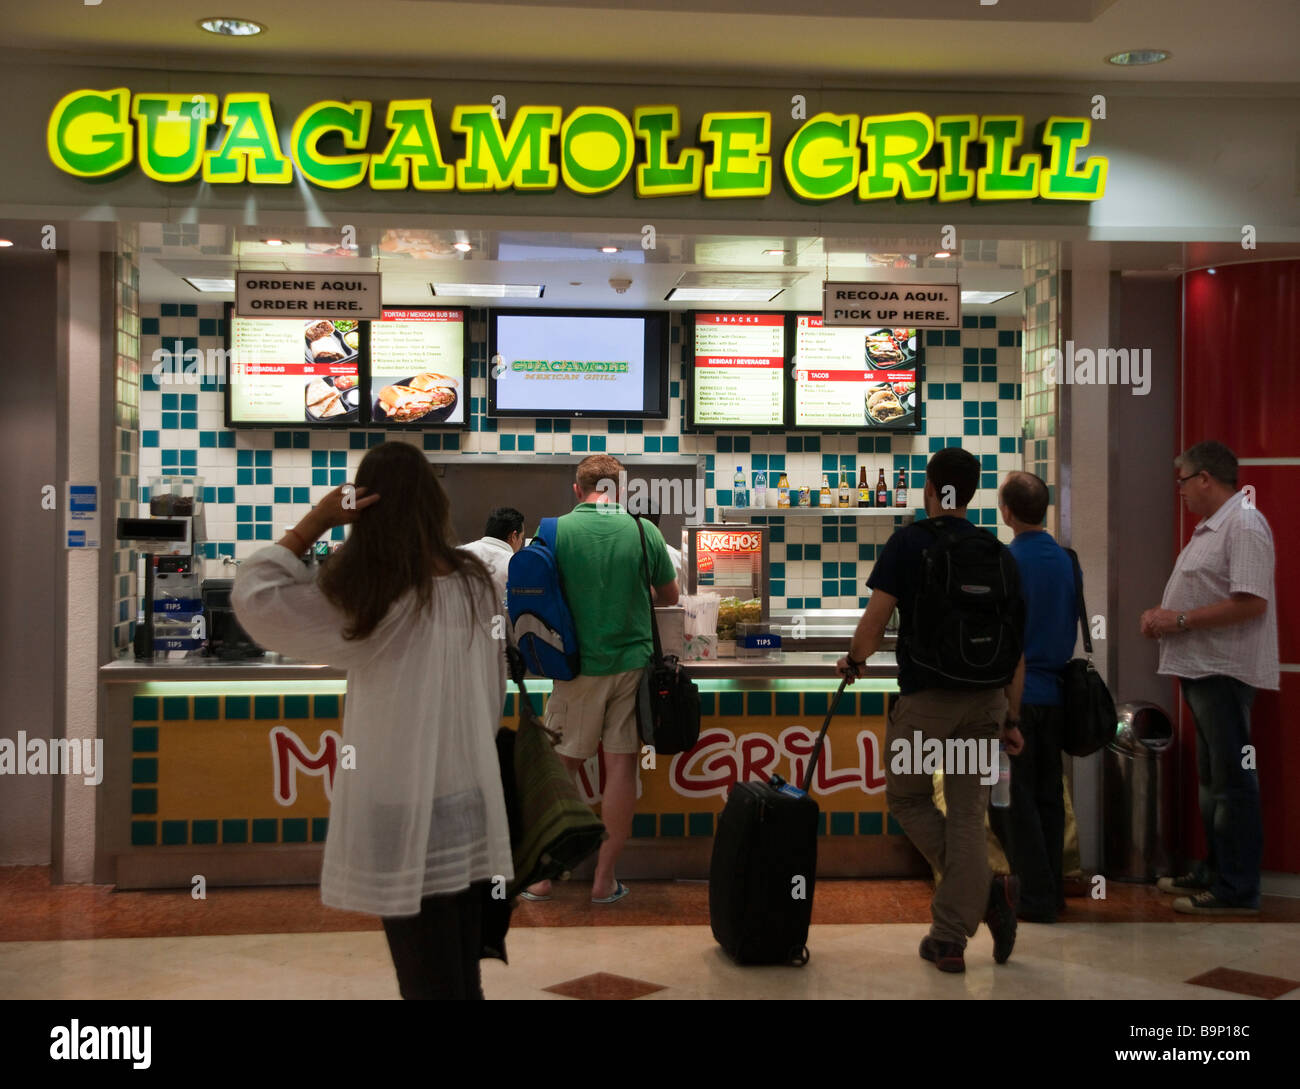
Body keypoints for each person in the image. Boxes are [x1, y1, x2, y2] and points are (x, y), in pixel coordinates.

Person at [232, 441, 512, 999]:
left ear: (364, 504)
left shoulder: (371, 591)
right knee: (459, 972)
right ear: (436, 504)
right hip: (467, 801)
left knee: (426, 977)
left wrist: (316, 519)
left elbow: (255, 595)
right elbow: (493, 688)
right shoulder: (475, 581)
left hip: (397, 808)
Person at [837, 447, 1025, 974]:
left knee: (908, 798)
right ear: (971, 492)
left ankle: (979, 901)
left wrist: (853, 660)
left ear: (929, 488)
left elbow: (873, 625)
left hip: (927, 705)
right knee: (968, 815)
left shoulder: (910, 543)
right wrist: (1011, 718)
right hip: (985, 704)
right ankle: (951, 936)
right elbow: (1016, 650)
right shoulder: (997, 551)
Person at [521, 454, 679, 904]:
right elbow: (670, 596)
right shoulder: (643, 532)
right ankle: (604, 880)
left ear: (578, 490)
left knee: (560, 770)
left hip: (572, 669)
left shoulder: (551, 531)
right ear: (619, 489)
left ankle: (544, 876)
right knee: (621, 769)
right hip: (631, 666)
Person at [1141, 440, 1278, 915]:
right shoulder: (1212, 528)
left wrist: (1177, 621)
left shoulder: (1243, 524)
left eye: (1183, 481)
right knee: (1212, 780)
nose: (1178, 491)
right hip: (1202, 669)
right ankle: (1214, 869)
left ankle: (1236, 887)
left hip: (1226, 671)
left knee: (1233, 783)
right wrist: (1164, 615)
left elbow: (1251, 602)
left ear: (1205, 479)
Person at [991, 471, 1078, 923]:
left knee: (1009, 800)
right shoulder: (1066, 560)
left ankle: (1035, 898)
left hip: (1017, 698)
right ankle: (1054, 893)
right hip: (1057, 697)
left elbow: (1006, 640)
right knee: (1047, 795)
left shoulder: (1006, 561)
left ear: (1006, 511)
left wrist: (1008, 711)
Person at [460, 506, 525, 605]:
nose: (521, 542)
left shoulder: (458, 553)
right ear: (514, 536)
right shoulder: (515, 564)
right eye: (521, 537)